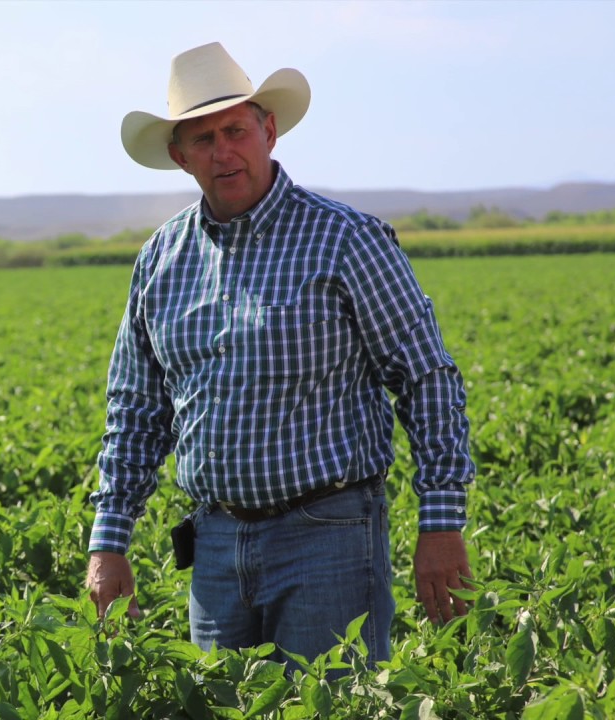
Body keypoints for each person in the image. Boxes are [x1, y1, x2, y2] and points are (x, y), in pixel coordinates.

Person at [85, 41, 476, 669]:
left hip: (330, 538)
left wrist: (441, 522)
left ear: (268, 130)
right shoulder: (160, 259)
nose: (224, 151)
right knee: (226, 707)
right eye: (203, 139)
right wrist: (109, 541)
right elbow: (135, 409)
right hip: (213, 545)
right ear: (179, 156)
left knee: (334, 708)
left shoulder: (345, 238)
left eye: (235, 129)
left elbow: (427, 378)